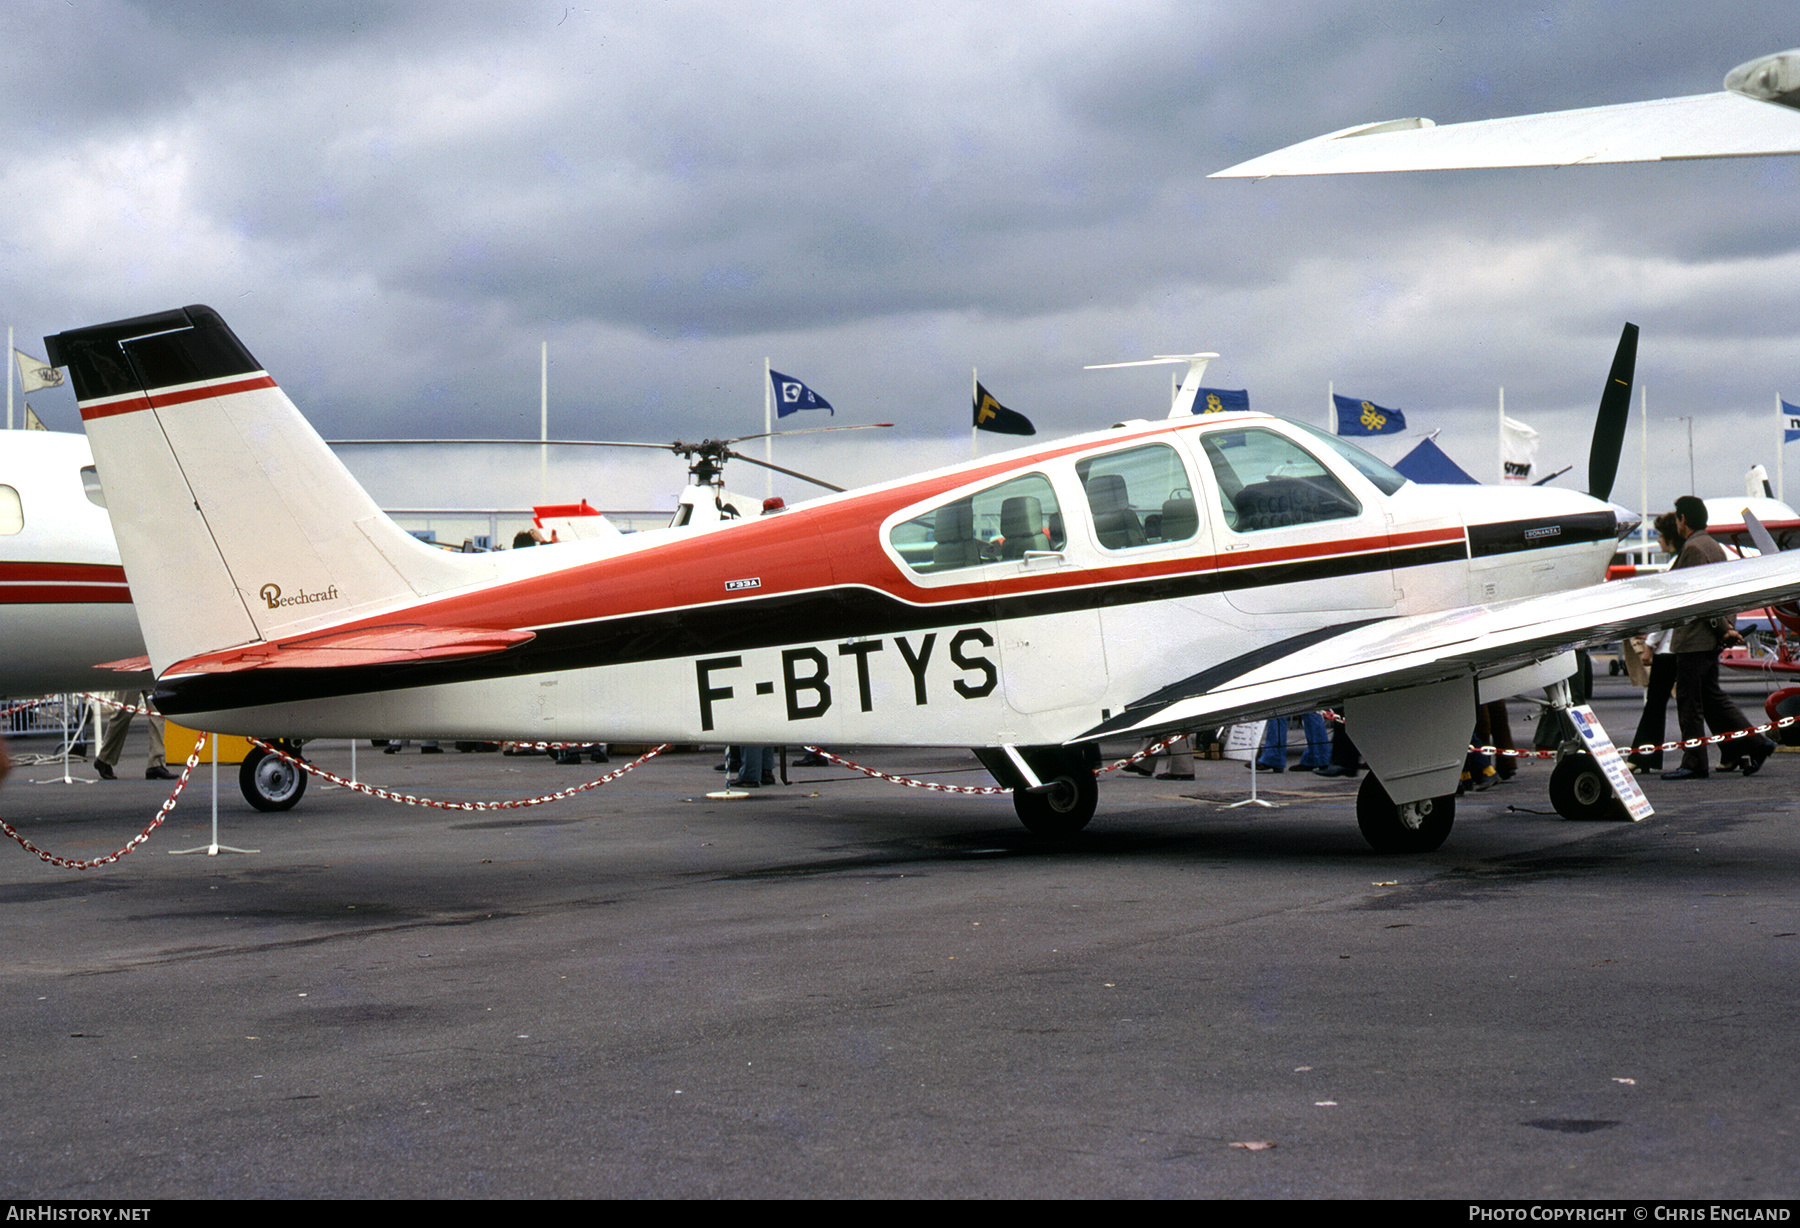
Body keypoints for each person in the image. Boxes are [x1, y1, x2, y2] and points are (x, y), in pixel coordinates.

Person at [1663, 495, 1777, 780]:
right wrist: (1725, 628)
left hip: (1694, 639)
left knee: (1690, 701)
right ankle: (1756, 744)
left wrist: (1720, 627)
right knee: (1711, 697)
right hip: (1710, 638)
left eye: (1677, 518)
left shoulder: (1692, 549)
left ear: (1683, 520)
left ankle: (1694, 761)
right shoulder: (1714, 547)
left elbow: (1700, 601)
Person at [1625, 512, 1682, 773]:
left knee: (1656, 703)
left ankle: (1643, 756)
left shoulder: (1674, 567)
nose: (1657, 541)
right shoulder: (1677, 563)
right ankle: (1742, 746)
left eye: (1659, 536)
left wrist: (1649, 644)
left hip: (1669, 648)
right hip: (1674, 646)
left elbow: (1666, 614)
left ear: (1670, 537)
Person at [94, 691, 174, 781]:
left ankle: (156, 763)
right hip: (131, 676)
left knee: (157, 710)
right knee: (124, 712)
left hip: (150, 677)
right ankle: (104, 758)